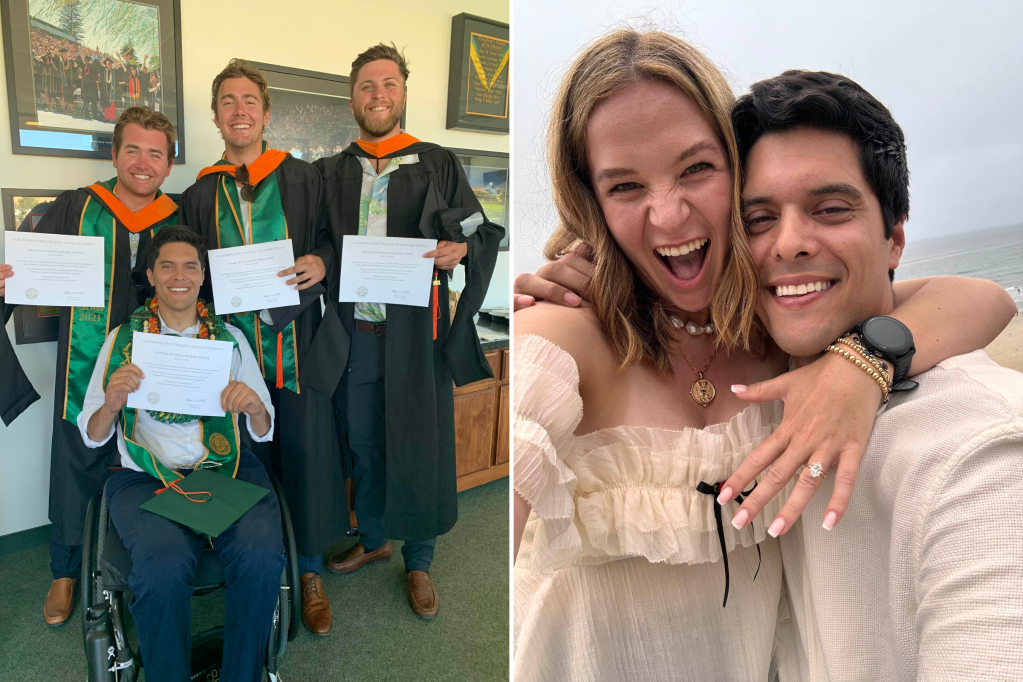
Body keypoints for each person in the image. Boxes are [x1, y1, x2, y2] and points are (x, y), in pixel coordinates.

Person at [510, 30, 1015, 680]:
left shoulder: (773, 333)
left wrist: (860, 365)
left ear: (733, 166)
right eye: (625, 187)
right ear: (591, 202)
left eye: (695, 168)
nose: (667, 215)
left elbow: (984, 298)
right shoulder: (564, 334)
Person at [720, 69, 1023, 680]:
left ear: (894, 239)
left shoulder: (978, 454)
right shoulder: (751, 373)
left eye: (829, 209)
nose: (789, 243)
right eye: (756, 220)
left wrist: (862, 360)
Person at [308, 42, 503, 620]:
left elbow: (480, 229)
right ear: (352, 98)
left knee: (420, 445)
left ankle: (418, 561)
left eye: (388, 84)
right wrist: (319, 259)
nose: (378, 95)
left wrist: (461, 249)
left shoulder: (438, 162)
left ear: (403, 94)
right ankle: (374, 540)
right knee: (364, 443)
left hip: (418, 337)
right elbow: (319, 239)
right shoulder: (331, 171)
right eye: (367, 86)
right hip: (356, 336)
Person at [179, 58, 347, 636]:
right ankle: (251, 569)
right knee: (240, 460)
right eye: (228, 101)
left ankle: (307, 573)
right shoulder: (200, 191)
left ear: (266, 112)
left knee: (303, 458)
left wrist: (321, 260)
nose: (240, 110)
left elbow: (331, 237)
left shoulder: (303, 179)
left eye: (249, 100)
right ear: (217, 117)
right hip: (229, 353)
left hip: (292, 346)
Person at [78, 225, 285, 682]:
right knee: (164, 565)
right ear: (151, 274)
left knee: (261, 554)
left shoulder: (228, 339)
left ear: (202, 275)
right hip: (145, 475)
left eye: (190, 266)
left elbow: (265, 429)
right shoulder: (122, 341)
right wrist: (111, 404)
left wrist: (253, 405)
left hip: (224, 467)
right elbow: (92, 436)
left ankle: (244, 675)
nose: (179, 275)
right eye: (167, 265)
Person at [0, 107, 180, 627]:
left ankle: (141, 556)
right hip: (84, 362)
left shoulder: (177, 214)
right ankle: (65, 568)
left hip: (152, 364)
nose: (143, 163)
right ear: (115, 153)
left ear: (167, 165)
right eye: (133, 150)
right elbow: (33, 271)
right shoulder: (75, 207)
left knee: (145, 454)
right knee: (76, 454)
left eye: (155, 154)